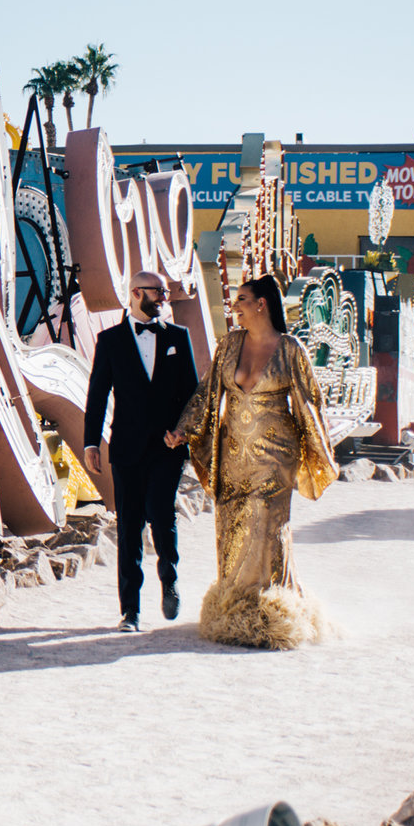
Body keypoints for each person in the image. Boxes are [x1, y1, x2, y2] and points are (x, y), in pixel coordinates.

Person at [170, 274, 336, 649]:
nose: (235, 306)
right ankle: (234, 606)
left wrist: (319, 452)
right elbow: (208, 391)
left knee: (264, 526)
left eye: (242, 299)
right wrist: (184, 429)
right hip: (232, 455)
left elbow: (310, 402)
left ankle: (270, 609)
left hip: (276, 456)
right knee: (231, 527)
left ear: (261, 303)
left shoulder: (291, 349)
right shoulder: (229, 344)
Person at [83, 269, 199, 632]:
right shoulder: (110, 341)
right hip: (127, 448)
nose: (164, 298)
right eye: (157, 292)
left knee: (161, 514)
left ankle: (169, 578)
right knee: (130, 526)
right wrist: (90, 442)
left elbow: (193, 394)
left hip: (168, 447)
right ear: (136, 293)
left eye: (165, 292)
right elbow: (97, 395)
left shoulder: (179, 337)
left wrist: (183, 433)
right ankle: (129, 611)